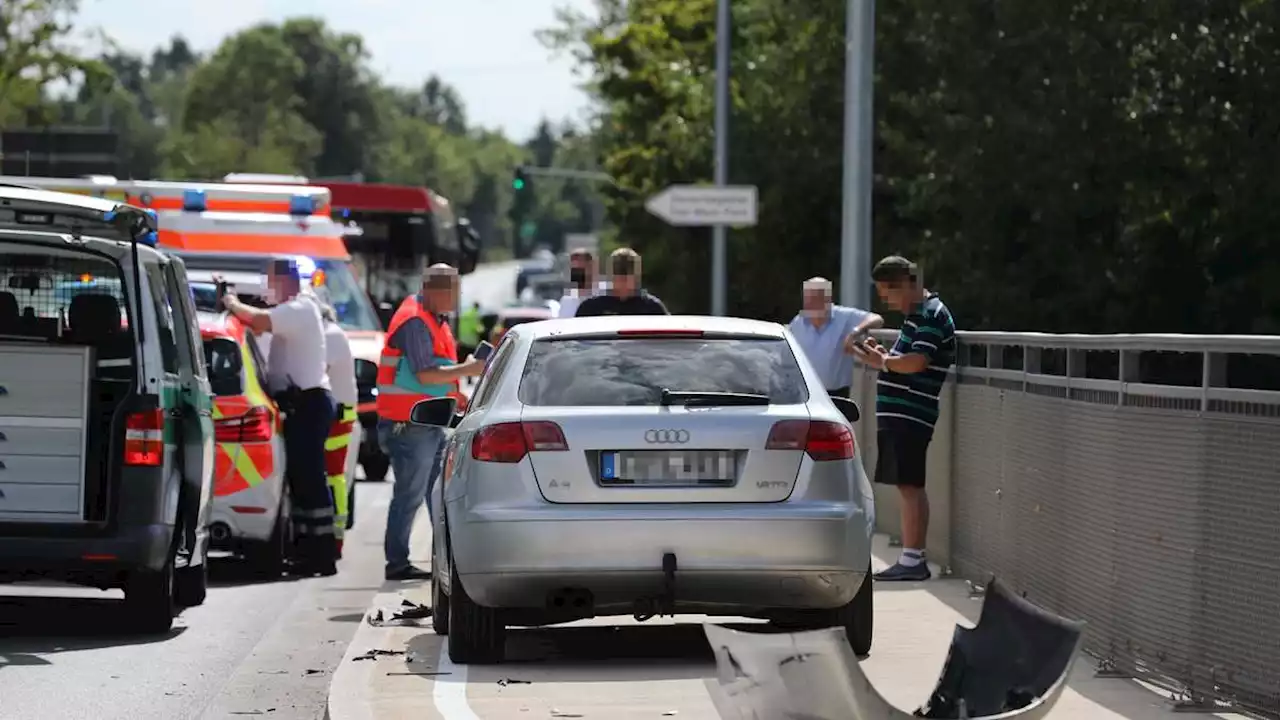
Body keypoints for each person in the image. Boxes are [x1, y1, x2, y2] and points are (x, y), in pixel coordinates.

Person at [219, 259, 338, 576]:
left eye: (270, 282)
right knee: (302, 480)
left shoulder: (299, 308)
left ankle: (322, 555)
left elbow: (258, 320)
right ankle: (308, 550)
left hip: (309, 403)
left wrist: (230, 301)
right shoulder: (295, 309)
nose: (267, 289)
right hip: (303, 403)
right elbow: (258, 324)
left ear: (284, 282)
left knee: (310, 480)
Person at [376, 264, 486, 581]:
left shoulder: (431, 319)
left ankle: (444, 559)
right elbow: (424, 373)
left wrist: (454, 393)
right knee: (411, 494)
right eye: (454, 293)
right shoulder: (415, 322)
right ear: (438, 291)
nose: (457, 299)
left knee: (436, 494)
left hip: (424, 421)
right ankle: (397, 563)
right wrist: (468, 370)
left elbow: (432, 372)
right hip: (409, 424)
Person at [850, 255, 956, 582]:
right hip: (902, 413)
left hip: (912, 413)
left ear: (906, 284)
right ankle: (911, 557)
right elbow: (902, 360)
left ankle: (913, 560)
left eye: (888, 292)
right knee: (906, 484)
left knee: (910, 485)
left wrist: (883, 362)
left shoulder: (929, 315)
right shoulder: (916, 316)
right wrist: (880, 358)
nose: (886, 300)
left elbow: (915, 362)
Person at [788, 277, 884, 399]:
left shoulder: (844, 316)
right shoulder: (798, 322)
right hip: (804, 395)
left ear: (828, 299)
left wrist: (854, 333)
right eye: (808, 297)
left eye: (816, 297)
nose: (811, 302)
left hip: (836, 395)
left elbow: (877, 319)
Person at [319, 301, 360, 560]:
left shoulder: (329, 336)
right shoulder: (334, 333)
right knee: (335, 476)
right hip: (339, 415)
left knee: (333, 476)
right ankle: (334, 536)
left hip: (335, 418)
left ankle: (334, 537)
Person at [574, 247, 669, 316]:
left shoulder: (652, 309)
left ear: (637, 274)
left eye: (628, 270)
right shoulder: (591, 308)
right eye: (618, 270)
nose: (623, 277)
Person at [556, 247, 609, 318]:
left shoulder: (606, 293)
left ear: (592, 267)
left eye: (581, 269)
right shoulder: (567, 300)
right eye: (574, 270)